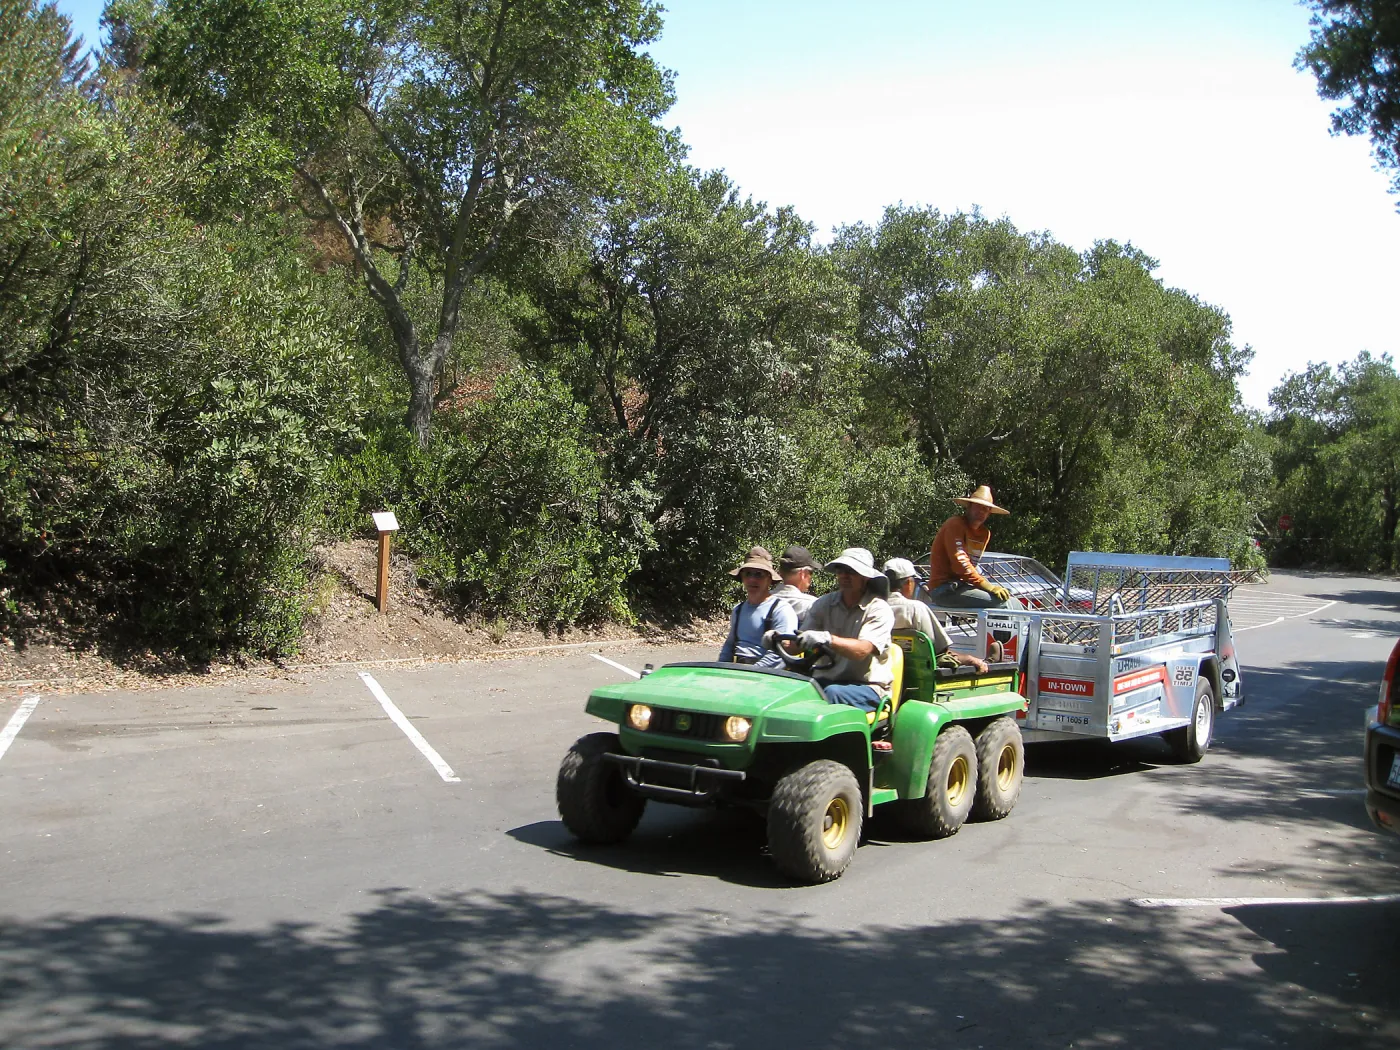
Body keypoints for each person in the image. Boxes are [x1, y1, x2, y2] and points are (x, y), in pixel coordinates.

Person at [779, 547, 894, 712]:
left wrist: (828, 639)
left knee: (829, 694)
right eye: (841, 570)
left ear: (865, 577)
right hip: (827, 681)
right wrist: (776, 640)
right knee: (789, 690)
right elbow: (797, 645)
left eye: (851, 571)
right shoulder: (824, 604)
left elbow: (862, 650)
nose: (844, 576)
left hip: (868, 687)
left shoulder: (878, 609)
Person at [882, 558, 989, 674]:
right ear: (909, 583)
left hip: (887, 667)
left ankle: (989, 660)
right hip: (919, 670)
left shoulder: (873, 607)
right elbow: (940, 650)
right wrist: (970, 659)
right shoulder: (914, 608)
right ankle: (989, 661)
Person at [926, 484, 1022, 610]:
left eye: (986, 509)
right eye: (978, 507)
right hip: (944, 589)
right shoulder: (955, 524)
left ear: (989, 513)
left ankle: (1024, 630)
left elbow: (972, 565)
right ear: (969, 507)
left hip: (964, 586)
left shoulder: (984, 534)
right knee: (1002, 604)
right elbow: (960, 563)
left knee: (1014, 603)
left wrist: (984, 585)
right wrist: (987, 586)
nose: (982, 512)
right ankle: (1001, 630)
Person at [719, 546, 797, 668]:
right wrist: (720, 669)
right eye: (748, 574)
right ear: (742, 577)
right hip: (736, 670)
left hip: (765, 676)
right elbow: (729, 645)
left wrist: (753, 671)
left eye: (759, 575)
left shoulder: (781, 610)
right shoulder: (738, 610)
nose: (752, 579)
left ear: (769, 579)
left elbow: (779, 653)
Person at [770, 545, 822, 624]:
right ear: (803, 574)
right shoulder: (812, 605)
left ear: (780, 572)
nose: (811, 577)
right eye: (811, 573)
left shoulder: (763, 600)